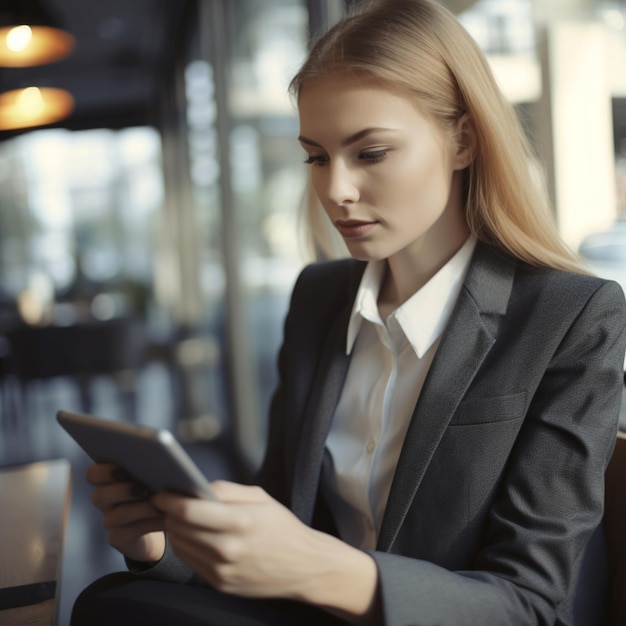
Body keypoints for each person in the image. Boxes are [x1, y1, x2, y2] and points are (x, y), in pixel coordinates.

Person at [70, 0, 626, 624]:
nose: (335, 190)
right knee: (113, 599)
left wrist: (320, 567)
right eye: (316, 156)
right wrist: (162, 546)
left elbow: (533, 605)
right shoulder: (320, 298)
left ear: (463, 139)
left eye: (372, 153)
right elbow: (280, 516)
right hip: (309, 612)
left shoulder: (571, 316)